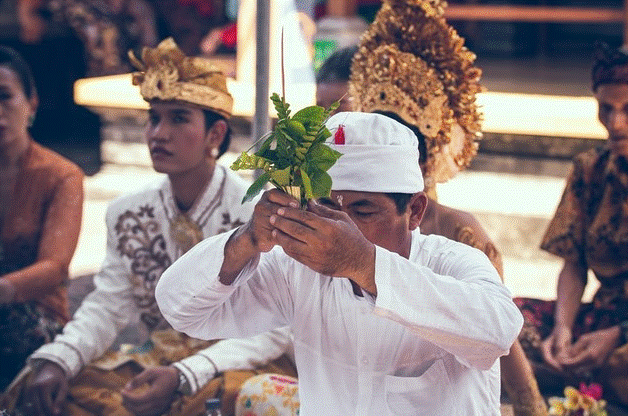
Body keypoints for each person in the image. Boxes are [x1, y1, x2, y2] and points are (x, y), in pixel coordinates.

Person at [156, 110, 524, 415]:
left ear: (414, 211)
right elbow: (182, 310)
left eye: (363, 210)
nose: (340, 226)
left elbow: (498, 332)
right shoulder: (295, 269)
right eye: (328, 207)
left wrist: (365, 265)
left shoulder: (453, 262)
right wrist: (247, 240)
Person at [12, 38, 295, 416]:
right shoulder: (127, 213)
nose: (158, 133)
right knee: (46, 386)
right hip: (156, 364)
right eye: (154, 118)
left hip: (233, 366)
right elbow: (108, 305)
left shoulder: (254, 215)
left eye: (179, 118)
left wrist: (187, 373)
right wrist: (61, 358)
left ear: (215, 135)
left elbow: (273, 329)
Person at [347, 1, 548, 414]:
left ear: (424, 160)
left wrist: (530, 405)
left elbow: (497, 332)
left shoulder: (460, 235)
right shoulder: (335, 223)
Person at [514, 41, 628, 407]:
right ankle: (578, 370)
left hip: (621, 334)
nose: (616, 124)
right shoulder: (590, 170)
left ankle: (587, 376)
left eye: (627, 110)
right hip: (602, 316)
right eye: (606, 110)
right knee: (508, 319)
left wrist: (619, 334)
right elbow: (574, 264)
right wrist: (564, 327)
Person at [0, 45, 84, 394]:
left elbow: (55, 268)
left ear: (31, 102)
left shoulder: (62, 176)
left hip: (35, 316)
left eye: (5, 97)